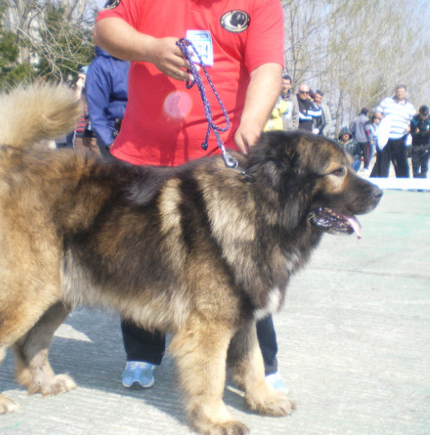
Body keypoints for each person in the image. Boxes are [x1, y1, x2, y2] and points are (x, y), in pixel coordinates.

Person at [94, 0, 287, 391]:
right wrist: (149, 48)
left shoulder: (260, 3)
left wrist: (251, 121)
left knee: (243, 264)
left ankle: (259, 364)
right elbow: (105, 28)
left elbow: (267, 65)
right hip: (142, 153)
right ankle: (142, 353)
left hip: (219, 155)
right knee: (139, 259)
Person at [84, 46, 129, 159]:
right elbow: (96, 111)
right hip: (116, 138)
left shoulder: (138, 60)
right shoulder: (101, 65)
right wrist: (110, 143)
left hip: (141, 138)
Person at [371, 84, 416, 178]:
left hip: (400, 137)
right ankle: (381, 181)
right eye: (398, 92)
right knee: (382, 161)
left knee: (401, 162)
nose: (400, 93)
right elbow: (377, 112)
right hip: (385, 136)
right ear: (395, 92)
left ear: (405, 93)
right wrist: (384, 118)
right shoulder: (387, 102)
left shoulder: (410, 107)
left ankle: (403, 183)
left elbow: (414, 121)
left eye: (402, 92)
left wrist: (409, 129)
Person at [410, 105, 430, 178]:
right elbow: (413, 134)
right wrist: (423, 132)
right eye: (423, 115)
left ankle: (423, 178)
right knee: (415, 164)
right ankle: (416, 179)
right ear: (420, 113)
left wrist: (419, 132)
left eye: (426, 115)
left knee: (424, 164)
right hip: (416, 145)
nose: (425, 117)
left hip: (426, 144)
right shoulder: (414, 119)